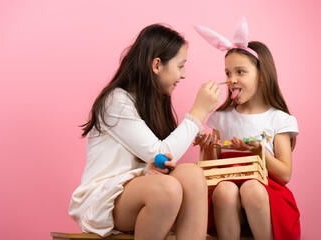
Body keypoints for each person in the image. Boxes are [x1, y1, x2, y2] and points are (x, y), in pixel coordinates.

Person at [69, 23, 221, 240]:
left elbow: (160, 159)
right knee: (166, 189)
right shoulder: (115, 101)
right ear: (157, 65)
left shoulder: (154, 103)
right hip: (106, 200)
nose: (184, 75)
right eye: (180, 66)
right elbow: (160, 150)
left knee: (193, 175)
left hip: (142, 188)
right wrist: (199, 112)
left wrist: (155, 168)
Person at [194, 17, 300, 240]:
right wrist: (207, 148)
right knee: (224, 189)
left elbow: (284, 174)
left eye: (240, 72)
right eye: (228, 73)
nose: (231, 80)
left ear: (262, 76)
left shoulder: (279, 119)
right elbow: (213, 172)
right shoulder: (220, 118)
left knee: (251, 187)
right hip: (227, 189)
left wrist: (258, 152)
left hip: (266, 193)